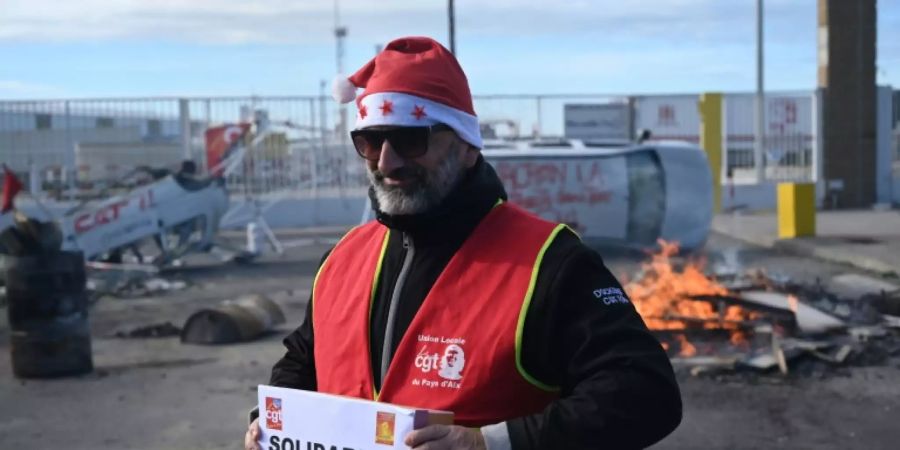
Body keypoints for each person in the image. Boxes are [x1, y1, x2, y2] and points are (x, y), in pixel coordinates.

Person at [244, 36, 681, 450]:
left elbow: (646, 393)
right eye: (371, 140)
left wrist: (492, 443)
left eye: (410, 140)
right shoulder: (342, 259)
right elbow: (303, 360)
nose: (387, 161)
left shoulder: (550, 263)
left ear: (468, 145)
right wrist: (272, 418)